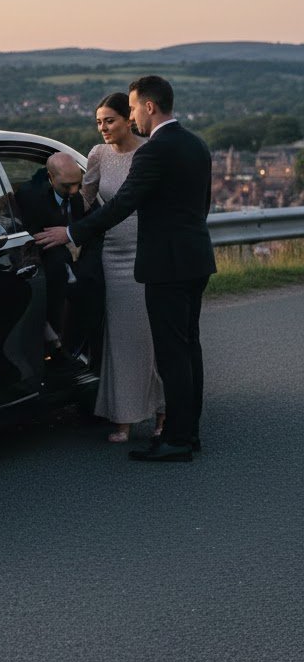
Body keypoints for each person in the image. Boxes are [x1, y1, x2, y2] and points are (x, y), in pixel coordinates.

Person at [34, 75, 215, 462]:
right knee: (188, 349)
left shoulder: (154, 151)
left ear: (149, 106)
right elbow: (203, 206)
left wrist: (72, 232)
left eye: (132, 108)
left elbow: (122, 205)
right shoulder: (196, 144)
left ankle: (176, 440)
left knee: (171, 355)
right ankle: (189, 433)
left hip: (164, 265)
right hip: (196, 259)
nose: (132, 116)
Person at [81, 92, 165, 443]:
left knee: (153, 337)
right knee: (120, 338)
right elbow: (85, 201)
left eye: (109, 120)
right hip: (113, 254)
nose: (103, 128)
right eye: (98, 122)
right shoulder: (97, 155)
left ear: (128, 119)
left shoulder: (150, 151)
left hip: (148, 253)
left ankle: (164, 412)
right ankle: (124, 418)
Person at [15, 152, 98, 377]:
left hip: (76, 267)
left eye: (77, 184)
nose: (74, 191)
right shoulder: (30, 198)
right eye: (66, 186)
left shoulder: (79, 196)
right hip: (45, 266)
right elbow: (33, 240)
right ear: (50, 178)